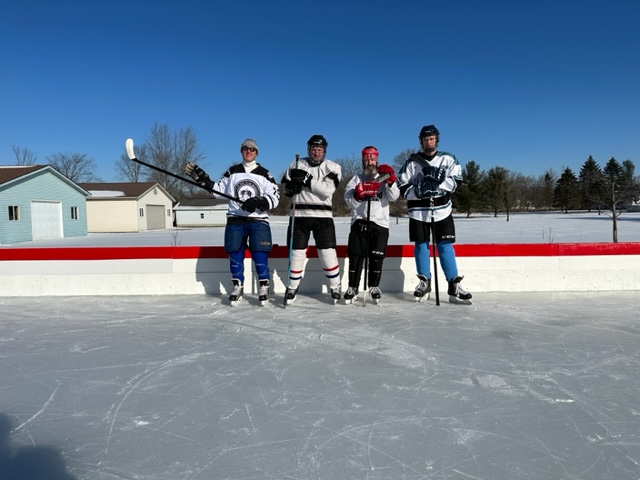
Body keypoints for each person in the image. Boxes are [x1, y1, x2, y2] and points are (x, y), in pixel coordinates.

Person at [184, 138, 280, 306]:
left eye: (252, 149)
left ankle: (264, 285)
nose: (248, 151)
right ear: (241, 151)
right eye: (245, 148)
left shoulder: (265, 173)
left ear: (256, 152)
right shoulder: (232, 171)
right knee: (235, 253)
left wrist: (259, 201)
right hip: (235, 219)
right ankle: (237, 286)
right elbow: (218, 191)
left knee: (260, 253)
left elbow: (275, 197)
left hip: (258, 220)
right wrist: (204, 180)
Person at [397, 125, 472, 304]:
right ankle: (424, 281)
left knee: (445, 245)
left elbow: (457, 182)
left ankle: (454, 284)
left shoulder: (448, 158)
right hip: (418, 213)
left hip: (442, 210)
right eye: (425, 139)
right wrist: (419, 191)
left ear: (436, 140)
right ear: (421, 141)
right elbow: (402, 186)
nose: (428, 142)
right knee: (421, 245)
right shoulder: (412, 162)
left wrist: (439, 183)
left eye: (431, 139)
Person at [281, 134, 342, 304]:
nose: (316, 152)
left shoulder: (333, 167)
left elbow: (326, 190)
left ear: (324, 151)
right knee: (296, 253)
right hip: (299, 216)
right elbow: (285, 184)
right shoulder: (296, 164)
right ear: (308, 149)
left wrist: (307, 180)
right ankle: (292, 287)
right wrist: (289, 188)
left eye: (320, 149)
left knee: (327, 253)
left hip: (323, 217)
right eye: (314, 148)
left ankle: (335, 285)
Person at [343, 146, 400, 304]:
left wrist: (391, 181)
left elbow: (394, 196)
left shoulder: (383, 177)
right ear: (363, 161)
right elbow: (348, 201)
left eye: (372, 158)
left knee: (376, 257)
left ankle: (374, 286)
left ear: (377, 160)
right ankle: (352, 287)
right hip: (360, 221)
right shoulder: (356, 178)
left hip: (380, 223)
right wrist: (358, 195)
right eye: (367, 159)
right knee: (356, 256)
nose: (370, 162)